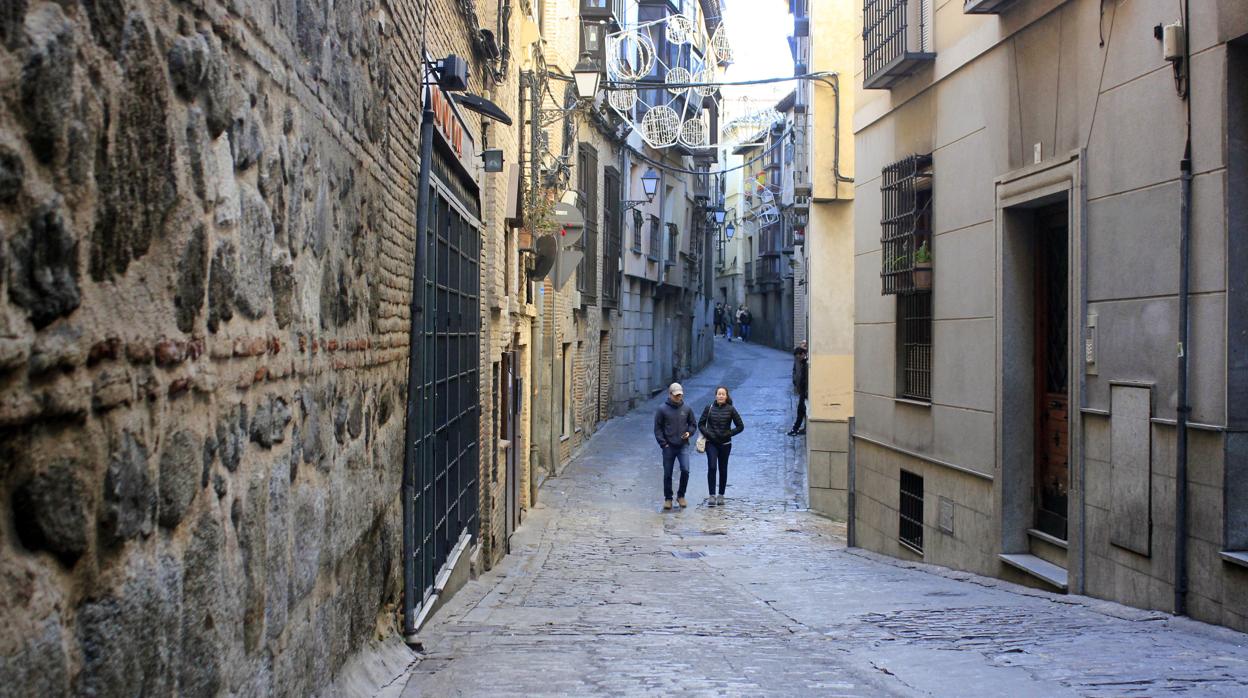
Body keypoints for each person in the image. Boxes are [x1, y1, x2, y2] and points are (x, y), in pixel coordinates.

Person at [698, 386, 745, 507]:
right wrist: (708, 433)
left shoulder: (731, 409)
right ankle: (712, 495)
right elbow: (701, 424)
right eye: (719, 394)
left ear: (726, 396)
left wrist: (729, 433)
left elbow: (740, 426)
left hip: (725, 444)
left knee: (723, 469)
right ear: (715, 396)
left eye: (723, 394)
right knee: (712, 467)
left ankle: (721, 495)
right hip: (711, 443)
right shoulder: (709, 408)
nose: (720, 396)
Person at [654, 382, 697, 510]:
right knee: (668, 473)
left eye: (680, 395)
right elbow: (658, 429)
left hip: (683, 445)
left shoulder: (687, 409)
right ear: (670, 394)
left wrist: (689, 432)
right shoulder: (662, 409)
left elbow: (693, 424)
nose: (679, 397)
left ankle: (681, 495)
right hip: (669, 446)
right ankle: (668, 498)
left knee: (685, 470)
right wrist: (664, 444)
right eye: (676, 395)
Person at [788, 345, 808, 436]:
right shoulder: (801, 362)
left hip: (805, 391)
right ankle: (798, 428)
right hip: (802, 390)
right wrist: (795, 382)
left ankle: (795, 429)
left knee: (800, 410)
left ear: (803, 354)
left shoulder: (807, 363)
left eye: (799, 357)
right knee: (802, 410)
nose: (798, 359)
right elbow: (795, 371)